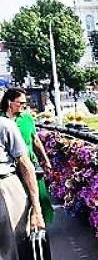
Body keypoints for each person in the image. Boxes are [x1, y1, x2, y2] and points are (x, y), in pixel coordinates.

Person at [0, 111, 45, 260]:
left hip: (5, 187)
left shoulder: (5, 126)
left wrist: (36, 209)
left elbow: (25, 164)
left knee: (18, 257)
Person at [1, 88, 53, 225]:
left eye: (25, 103)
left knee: (40, 197)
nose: (24, 106)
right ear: (10, 102)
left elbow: (36, 140)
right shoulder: (2, 121)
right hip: (11, 170)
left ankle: (42, 226)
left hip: (30, 164)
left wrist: (45, 160)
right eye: (21, 103)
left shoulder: (27, 118)